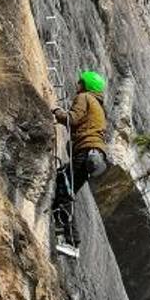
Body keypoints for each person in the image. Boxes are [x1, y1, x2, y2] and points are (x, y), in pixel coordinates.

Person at [51, 69, 109, 258]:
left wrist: (56, 111)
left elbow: (72, 119)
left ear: (86, 85)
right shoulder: (99, 107)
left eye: (80, 82)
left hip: (85, 152)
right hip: (95, 156)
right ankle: (65, 233)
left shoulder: (84, 98)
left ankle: (71, 242)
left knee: (64, 189)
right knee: (62, 179)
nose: (77, 85)